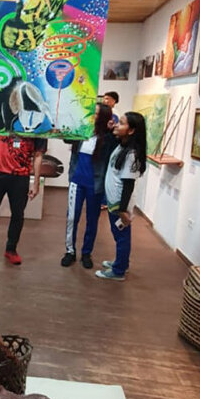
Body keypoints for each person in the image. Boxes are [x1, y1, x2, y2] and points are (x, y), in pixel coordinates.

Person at [0, 133, 47, 265]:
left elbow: (38, 155)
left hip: (20, 176)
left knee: (18, 214)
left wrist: (36, 183)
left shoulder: (38, 125)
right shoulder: (4, 116)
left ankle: (11, 249)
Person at [61, 103, 113, 269]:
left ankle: (86, 253)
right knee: (71, 218)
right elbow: (66, 137)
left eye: (96, 113)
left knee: (92, 220)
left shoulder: (107, 137)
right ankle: (70, 251)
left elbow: (118, 141)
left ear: (103, 117)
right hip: (77, 181)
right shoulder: (82, 130)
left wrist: (111, 130)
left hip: (95, 184)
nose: (93, 115)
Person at [97, 111, 148, 281]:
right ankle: (121, 263)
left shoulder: (132, 154)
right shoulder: (123, 145)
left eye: (122, 123)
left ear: (131, 130)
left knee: (122, 238)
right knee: (119, 235)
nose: (117, 124)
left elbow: (128, 184)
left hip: (119, 204)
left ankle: (118, 271)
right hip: (115, 202)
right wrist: (112, 131)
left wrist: (122, 209)